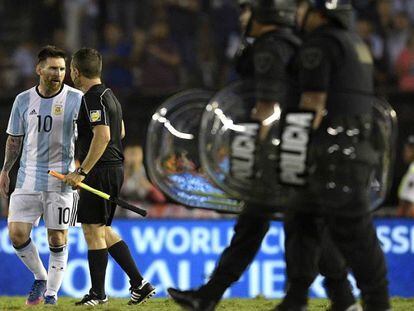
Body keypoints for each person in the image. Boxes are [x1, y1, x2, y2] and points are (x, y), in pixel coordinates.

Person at [168, 1, 357, 311]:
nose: (242, 17)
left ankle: (209, 295)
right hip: (296, 146)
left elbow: (267, 107)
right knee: (278, 223)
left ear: (265, 15)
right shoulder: (293, 44)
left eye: (246, 10)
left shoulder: (269, 48)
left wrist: (253, 150)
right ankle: (342, 298)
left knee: (272, 224)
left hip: (279, 152)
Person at [275, 0, 391, 310]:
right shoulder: (355, 44)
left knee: (353, 231)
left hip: (331, 154)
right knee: (302, 221)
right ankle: (303, 299)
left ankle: (377, 302)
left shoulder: (320, 45)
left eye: (304, 9)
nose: (298, 15)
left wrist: (290, 148)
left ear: (320, 13)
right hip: (356, 147)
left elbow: (312, 103)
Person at [64, 47, 155, 306]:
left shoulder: (91, 98)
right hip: (114, 168)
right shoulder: (110, 95)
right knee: (103, 229)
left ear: (76, 72)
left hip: (100, 171)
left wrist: (81, 171)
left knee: (91, 230)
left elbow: (103, 136)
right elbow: (121, 132)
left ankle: (98, 294)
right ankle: (140, 283)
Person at [0, 45, 83, 305]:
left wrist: (81, 169)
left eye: (61, 68)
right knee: (17, 234)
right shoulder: (23, 100)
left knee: (57, 238)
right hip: (27, 177)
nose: (58, 73)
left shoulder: (77, 99)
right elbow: (15, 139)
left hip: (62, 182)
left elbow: (96, 134)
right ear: (39, 69)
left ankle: (51, 295)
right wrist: (5, 169)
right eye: (52, 68)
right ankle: (40, 276)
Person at [397, 135, 414, 217]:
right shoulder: (411, 168)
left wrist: (404, 220)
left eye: (407, 149)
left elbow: (408, 201)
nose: (404, 152)